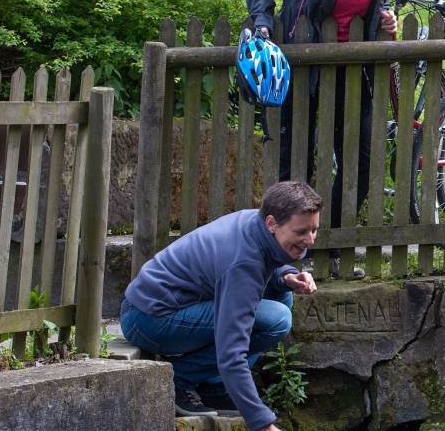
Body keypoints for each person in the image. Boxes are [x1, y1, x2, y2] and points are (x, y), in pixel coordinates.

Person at [246, 0, 445, 276]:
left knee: (364, 160)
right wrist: (263, 21)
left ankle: (329, 242)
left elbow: (373, 3)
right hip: (303, 68)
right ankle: (283, 255)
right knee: (296, 160)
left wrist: (383, 17)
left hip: (356, 71)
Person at [121, 181, 322, 430]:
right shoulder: (244, 263)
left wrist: (286, 276)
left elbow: (271, 260)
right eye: (302, 231)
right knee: (276, 319)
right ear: (272, 223)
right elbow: (232, 353)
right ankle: (180, 377)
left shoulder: (257, 223)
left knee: (282, 294)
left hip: (163, 306)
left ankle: (215, 386)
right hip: (149, 318)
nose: (310, 240)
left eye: (314, 230)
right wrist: (263, 423)